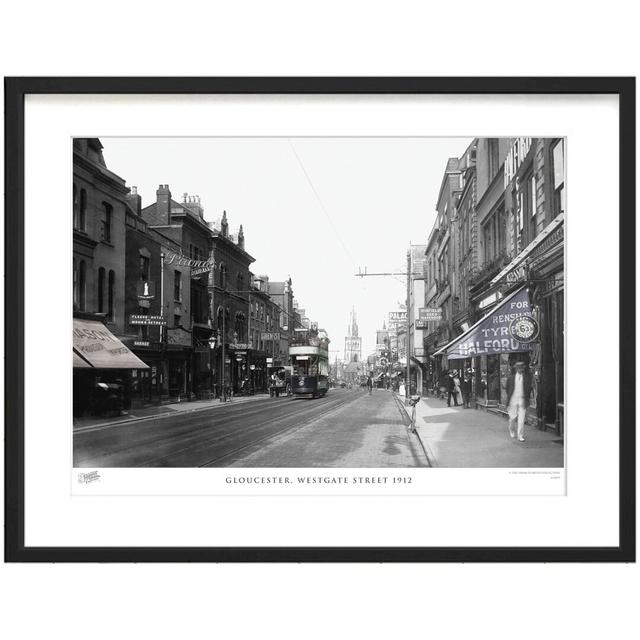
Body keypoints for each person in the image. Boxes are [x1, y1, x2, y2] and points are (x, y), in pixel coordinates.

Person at [506, 361, 533, 442]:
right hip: (513, 399)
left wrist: (527, 400)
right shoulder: (511, 378)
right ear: (516, 369)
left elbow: (528, 389)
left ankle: (520, 435)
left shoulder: (527, 378)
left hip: (522, 399)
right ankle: (511, 430)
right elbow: (507, 389)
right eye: (518, 368)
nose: (520, 370)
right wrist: (509, 399)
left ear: (523, 369)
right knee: (512, 418)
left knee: (521, 419)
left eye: (521, 368)